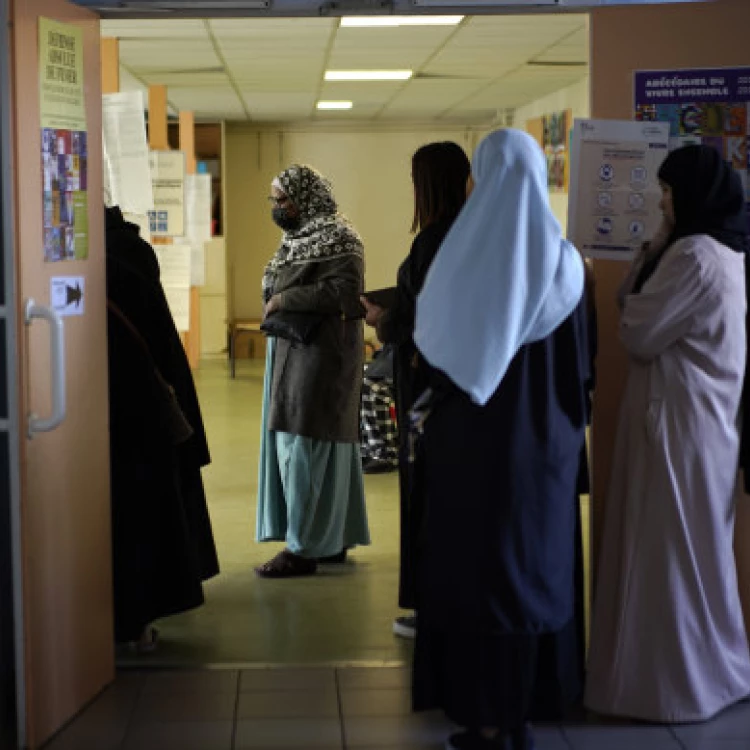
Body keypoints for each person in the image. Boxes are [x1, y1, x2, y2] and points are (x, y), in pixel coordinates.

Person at [409, 129, 588, 750]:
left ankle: (481, 714)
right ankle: (530, 707)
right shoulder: (566, 267)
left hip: (471, 450)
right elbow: (579, 373)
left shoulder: (460, 263)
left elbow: (432, 352)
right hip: (545, 451)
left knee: (475, 579)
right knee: (534, 574)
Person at [585, 145, 750, 723]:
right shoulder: (721, 252)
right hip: (696, 425)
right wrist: (652, 253)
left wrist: (651, 258)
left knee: (669, 554)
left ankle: (670, 683)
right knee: (694, 553)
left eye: (670, 191)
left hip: (679, 425)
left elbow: (636, 329)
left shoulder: (697, 258)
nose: (662, 200)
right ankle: (706, 672)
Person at [361, 141, 471, 640]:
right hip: (458, 387)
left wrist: (383, 319)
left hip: (425, 387)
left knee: (425, 491)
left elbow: (415, 316)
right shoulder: (474, 235)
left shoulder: (431, 242)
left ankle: (432, 606)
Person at [105, 205, 219, 651]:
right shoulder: (132, 252)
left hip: (126, 405)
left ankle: (131, 618)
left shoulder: (106, 259)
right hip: (147, 403)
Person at [255, 165, 371, 577]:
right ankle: (330, 538)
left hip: (321, 358)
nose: (278, 208)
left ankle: (304, 548)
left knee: (306, 449)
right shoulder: (296, 239)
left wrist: (286, 299)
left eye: (283, 200)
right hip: (293, 353)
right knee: (307, 446)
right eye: (275, 200)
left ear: (307, 197)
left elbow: (346, 293)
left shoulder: (341, 238)